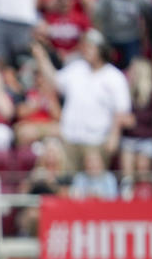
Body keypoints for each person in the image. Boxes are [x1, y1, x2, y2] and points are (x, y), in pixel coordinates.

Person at [32, 29, 131, 169]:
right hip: (70, 138)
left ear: (101, 49)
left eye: (90, 47)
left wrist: (114, 136)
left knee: (94, 186)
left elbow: (121, 111)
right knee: (69, 184)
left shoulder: (114, 77)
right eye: (85, 47)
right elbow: (55, 80)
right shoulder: (76, 69)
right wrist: (41, 58)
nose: (86, 50)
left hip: (97, 140)